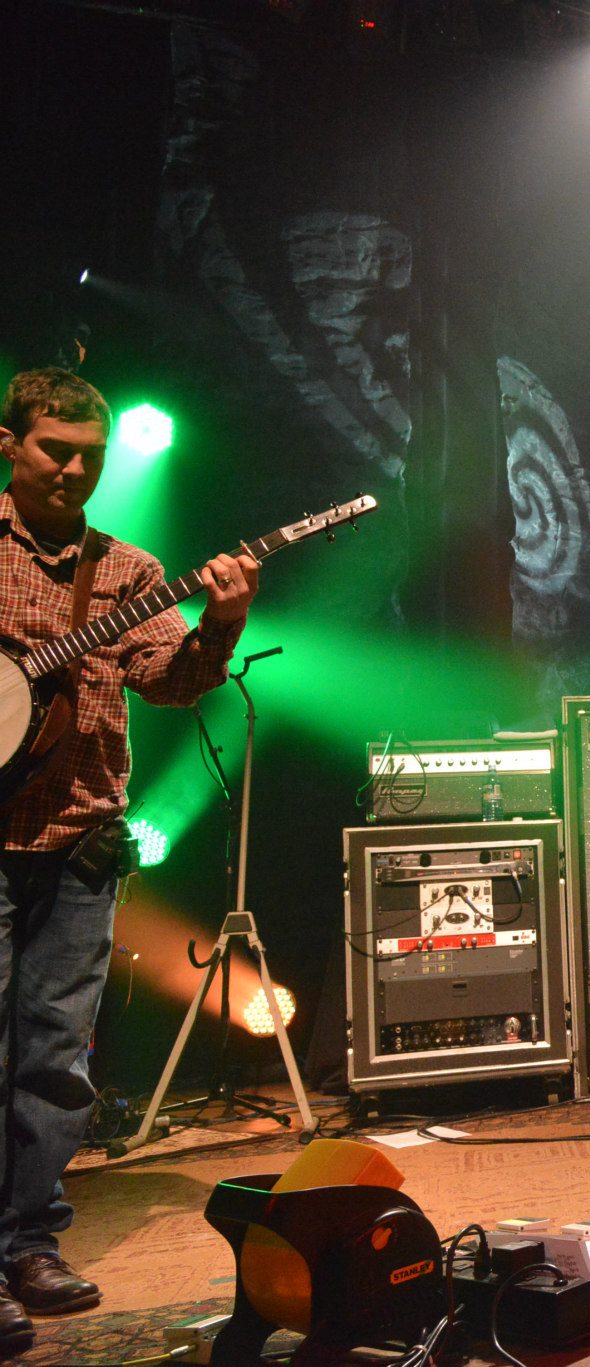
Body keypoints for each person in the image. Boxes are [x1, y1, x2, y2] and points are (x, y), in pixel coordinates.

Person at [0, 368, 259, 1353]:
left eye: (90, 456)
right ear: (8, 444)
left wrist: (222, 622)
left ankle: (30, 1245)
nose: (73, 470)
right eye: (54, 449)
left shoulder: (129, 569)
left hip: (81, 841)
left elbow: (171, 682)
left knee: (56, 1059)